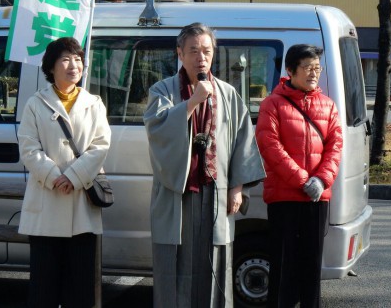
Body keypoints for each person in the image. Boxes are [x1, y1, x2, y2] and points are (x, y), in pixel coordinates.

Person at [143, 22, 266, 308]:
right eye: (193, 50)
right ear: (179, 53)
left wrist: (237, 187)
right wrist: (193, 101)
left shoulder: (227, 93)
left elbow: (242, 141)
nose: (201, 57)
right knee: (173, 262)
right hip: (178, 193)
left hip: (217, 192)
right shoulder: (163, 90)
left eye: (207, 50)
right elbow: (156, 129)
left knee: (216, 262)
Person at [17, 37, 111, 308]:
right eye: (66, 59)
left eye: (78, 59)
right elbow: (28, 148)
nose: (74, 65)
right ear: (51, 66)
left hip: (81, 205)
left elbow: (101, 145)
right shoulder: (36, 103)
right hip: (46, 204)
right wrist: (53, 176)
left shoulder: (94, 103)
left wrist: (72, 176)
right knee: (43, 288)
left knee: (80, 289)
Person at [255, 44, 343, 308]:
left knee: (311, 269)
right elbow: (269, 146)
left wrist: (320, 180)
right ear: (291, 70)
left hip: (316, 200)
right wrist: (302, 180)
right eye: (307, 67)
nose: (313, 73)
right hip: (284, 198)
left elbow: (335, 147)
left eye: (317, 67)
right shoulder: (272, 104)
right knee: (283, 267)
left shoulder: (327, 106)